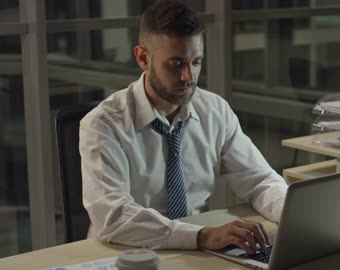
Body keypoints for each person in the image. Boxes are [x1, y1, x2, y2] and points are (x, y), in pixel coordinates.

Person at [80, 0, 287, 255]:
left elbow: (260, 180)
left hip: (196, 250)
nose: (189, 77)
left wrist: (296, 215)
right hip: (124, 253)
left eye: (196, 62)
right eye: (176, 64)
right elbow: (113, 216)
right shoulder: (103, 125)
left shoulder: (214, 111)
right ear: (143, 58)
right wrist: (201, 236)